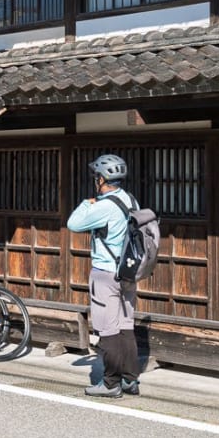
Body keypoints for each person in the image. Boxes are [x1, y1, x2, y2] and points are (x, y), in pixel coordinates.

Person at [67, 153, 140, 399]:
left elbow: (73, 224)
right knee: (126, 326)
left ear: (101, 178)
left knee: (107, 330)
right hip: (129, 272)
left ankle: (110, 384)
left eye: (96, 176)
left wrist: (87, 203)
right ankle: (130, 380)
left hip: (106, 273)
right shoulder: (131, 200)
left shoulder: (105, 205)